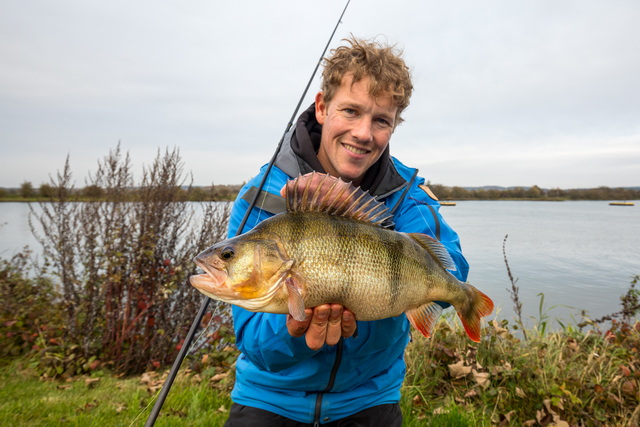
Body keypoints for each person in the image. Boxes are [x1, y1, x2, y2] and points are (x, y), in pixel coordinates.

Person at [223, 36, 469, 426]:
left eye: (381, 120)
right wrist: (294, 330)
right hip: (269, 399)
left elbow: (450, 274)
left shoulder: (409, 196)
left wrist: (372, 315)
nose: (363, 133)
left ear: (394, 126)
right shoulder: (262, 196)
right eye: (350, 111)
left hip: (369, 399)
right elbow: (255, 345)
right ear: (322, 107)